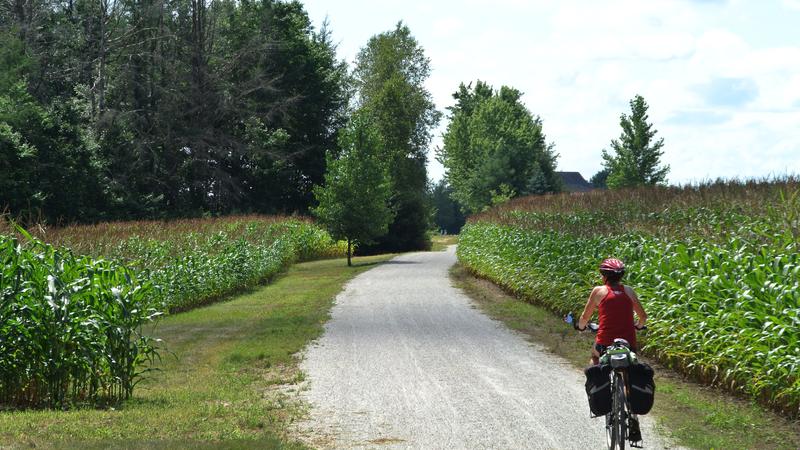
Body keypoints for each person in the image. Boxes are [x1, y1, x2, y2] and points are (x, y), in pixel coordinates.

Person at [576, 258, 647, 366]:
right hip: (628, 343)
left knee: (595, 357)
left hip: (605, 342)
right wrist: (638, 326)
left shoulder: (598, 291)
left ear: (605, 276)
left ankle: (595, 382)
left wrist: (581, 327)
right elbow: (643, 316)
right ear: (621, 276)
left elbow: (585, 317)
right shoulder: (629, 291)